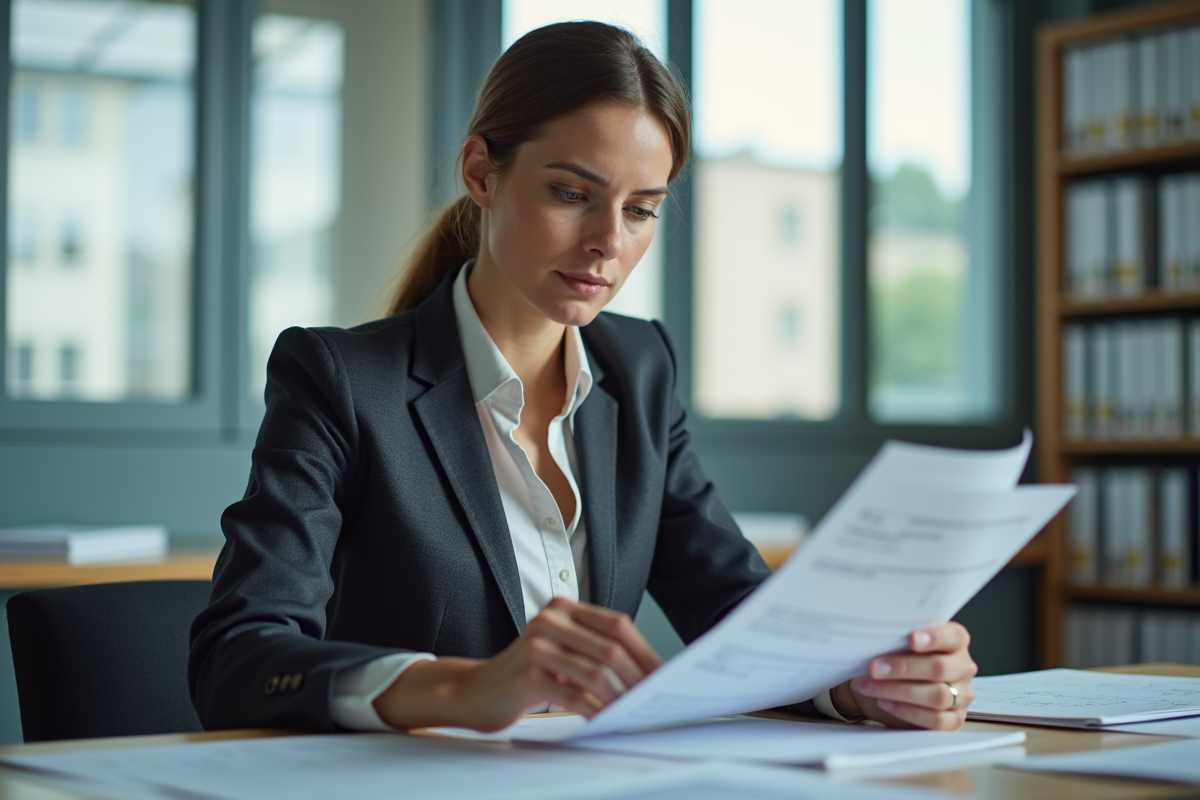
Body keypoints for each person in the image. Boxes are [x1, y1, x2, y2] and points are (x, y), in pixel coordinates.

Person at [189, 20, 977, 735]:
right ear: (481, 172)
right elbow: (239, 656)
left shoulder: (638, 371)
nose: (607, 242)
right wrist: (465, 690)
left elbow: (737, 615)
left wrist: (856, 684)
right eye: (572, 194)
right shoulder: (341, 380)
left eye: (641, 210)